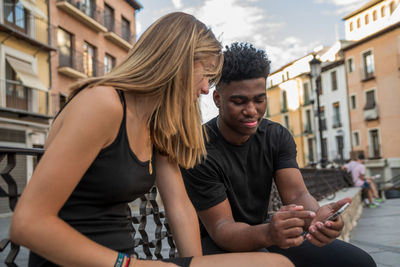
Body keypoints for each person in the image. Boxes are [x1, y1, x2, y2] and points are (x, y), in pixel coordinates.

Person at [9, 13, 293, 267]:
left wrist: (193, 265)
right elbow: (27, 223)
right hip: (85, 262)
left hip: (125, 257)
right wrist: (128, 265)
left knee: (277, 263)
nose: (207, 89)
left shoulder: (156, 124)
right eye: (205, 74)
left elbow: (179, 204)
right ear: (177, 63)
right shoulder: (102, 104)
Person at [181, 42, 377, 267]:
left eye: (259, 99)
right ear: (217, 99)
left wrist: (319, 219)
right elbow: (222, 228)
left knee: (360, 262)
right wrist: (269, 233)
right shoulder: (199, 149)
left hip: (265, 232)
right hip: (217, 245)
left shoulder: (275, 135)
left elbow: (296, 196)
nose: (252, 110)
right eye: (239, 101)